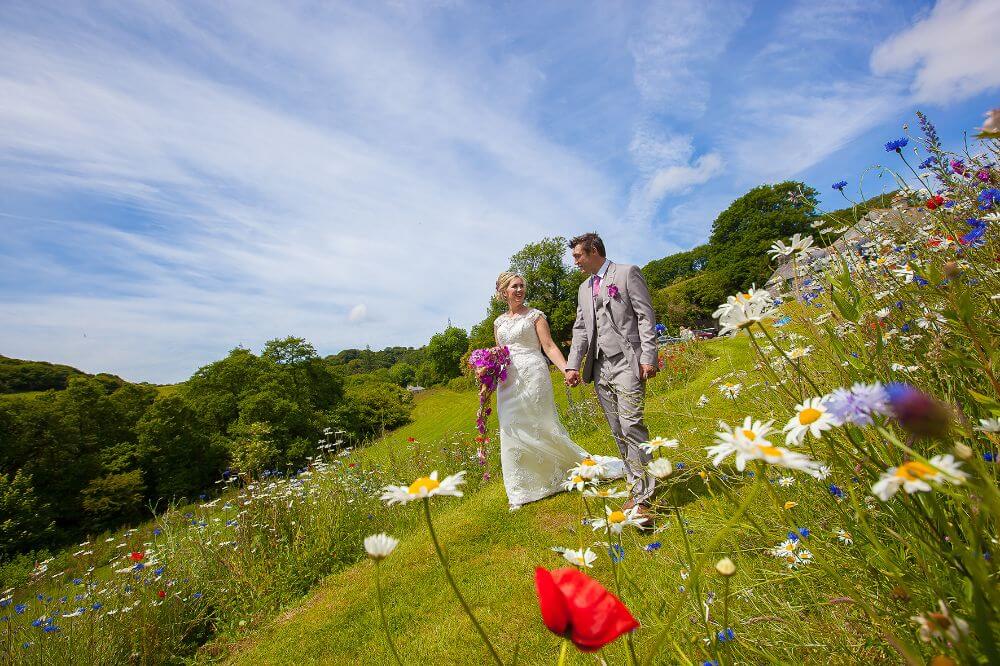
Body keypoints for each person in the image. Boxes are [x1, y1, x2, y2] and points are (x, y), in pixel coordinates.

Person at [491, 271, 623, 510]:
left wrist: (567, 369)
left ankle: (564, 469)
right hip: (507, 382)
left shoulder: (535, 316)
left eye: (522, 286)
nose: (519, 290)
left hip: (533, 374)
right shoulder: (498, 323)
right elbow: (501, 352)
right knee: (511, 428)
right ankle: (520, 491)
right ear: (503, 292)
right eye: (514, 287)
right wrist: (488, 371)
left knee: (542, 425)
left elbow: (549, 347)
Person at [564, 233, 658, 521]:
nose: (576, 262)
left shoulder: (627, 273)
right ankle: (635, 488)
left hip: (628, 361)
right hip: (599, 366)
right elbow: (580, 329)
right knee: (618, 429)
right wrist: (572, 365)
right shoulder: (583, 289)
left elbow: (645, 316)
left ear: (593, 251)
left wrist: (648, 357)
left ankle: (645, 497)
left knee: (632, 425)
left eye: (578, 256)